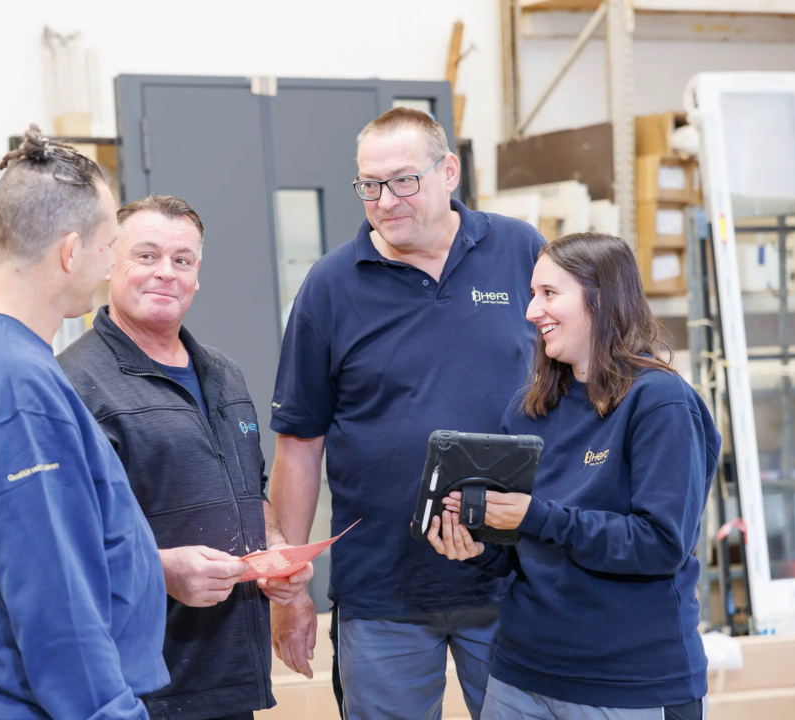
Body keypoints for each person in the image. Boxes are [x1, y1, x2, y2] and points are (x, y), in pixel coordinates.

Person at [267, 107, 544, 720]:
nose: (385, 199)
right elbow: (299, 443)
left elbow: (572, 391)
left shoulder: (520, 250)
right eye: (370, 184)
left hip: (513, 579)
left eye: (403, 180)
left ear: (448, 172)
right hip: (382, 589)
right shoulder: (330, 285)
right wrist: (290, 589)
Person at [0, 127, 169, 719]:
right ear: (69, 251)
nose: (111, 266)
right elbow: (54, 599)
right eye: (110, 245)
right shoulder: (13, 384)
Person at [429, 232, 720, 720]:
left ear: (601, 299)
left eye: (549, 294)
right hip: (521, 675)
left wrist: (538, 516)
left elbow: (659, 543)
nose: (530, 311)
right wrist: (479, 548)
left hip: (629, 684)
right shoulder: (529, 411)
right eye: (531, 294)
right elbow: (520, 555)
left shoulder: (660, 404)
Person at [58, 195, 312, 720]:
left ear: (198, 275)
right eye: (146, 256)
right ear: (109, 264)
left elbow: (249, 490)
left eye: (182, 260)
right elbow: (57, 544)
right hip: (137, 686)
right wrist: (159, 571)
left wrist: (278, 552)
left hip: (229, 674)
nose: (165, 274)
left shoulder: (224, 374)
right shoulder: (73, 385)